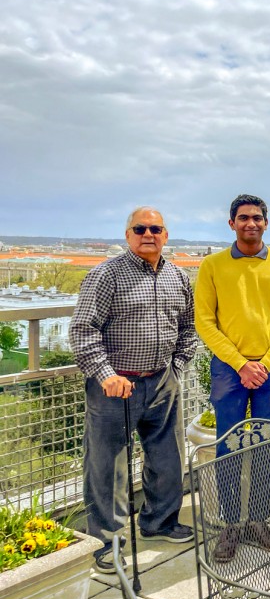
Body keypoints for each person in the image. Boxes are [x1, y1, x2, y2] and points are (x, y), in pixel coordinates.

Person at [70, 207, 197, 573]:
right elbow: (83, 330)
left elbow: (188, 328)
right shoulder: (106, 275)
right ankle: (107, 542)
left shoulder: (178, 277)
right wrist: (106, 374)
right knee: (108, 468)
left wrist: (176, 367)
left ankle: (160, 522)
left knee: (168, 458)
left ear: (166, 234)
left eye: (155, 228)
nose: (148, 234)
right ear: (128, 235)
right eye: (139, 228)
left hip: (162, 380)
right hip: (115, 386)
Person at [194, 194, 270, 563]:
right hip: (229, 368)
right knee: (227, 445)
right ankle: (229, 525)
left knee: (264, 443)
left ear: (266, 223)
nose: (250, 224)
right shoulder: (212, 266)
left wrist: (266, 362)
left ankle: (258, 520)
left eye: (257, 218)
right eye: (243, 218)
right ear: (231, 223)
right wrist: (241, 363)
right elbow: (205, 322)